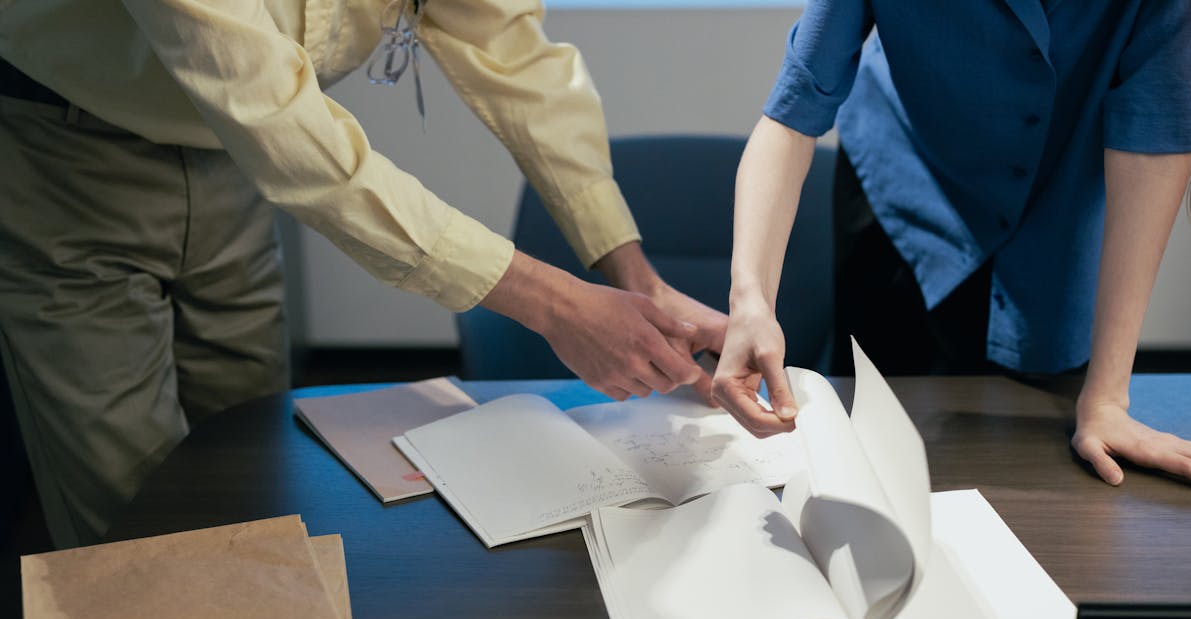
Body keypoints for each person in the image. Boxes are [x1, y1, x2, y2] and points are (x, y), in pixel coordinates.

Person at [0, 0, 726, 548]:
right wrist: (557, 304)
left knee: (252, 472)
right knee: (134, 514)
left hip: (236, 167)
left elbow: (511, 53)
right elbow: (289, 136)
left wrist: (637, 279)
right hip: (70, 155)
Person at [712, 0, 1191, 487]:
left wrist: (1109, 399)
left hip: (1058, 199)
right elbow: (793, 112)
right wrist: (749, 300)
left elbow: (1154, 132)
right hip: (904, 182)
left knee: (1051, 460)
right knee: (875, 441)